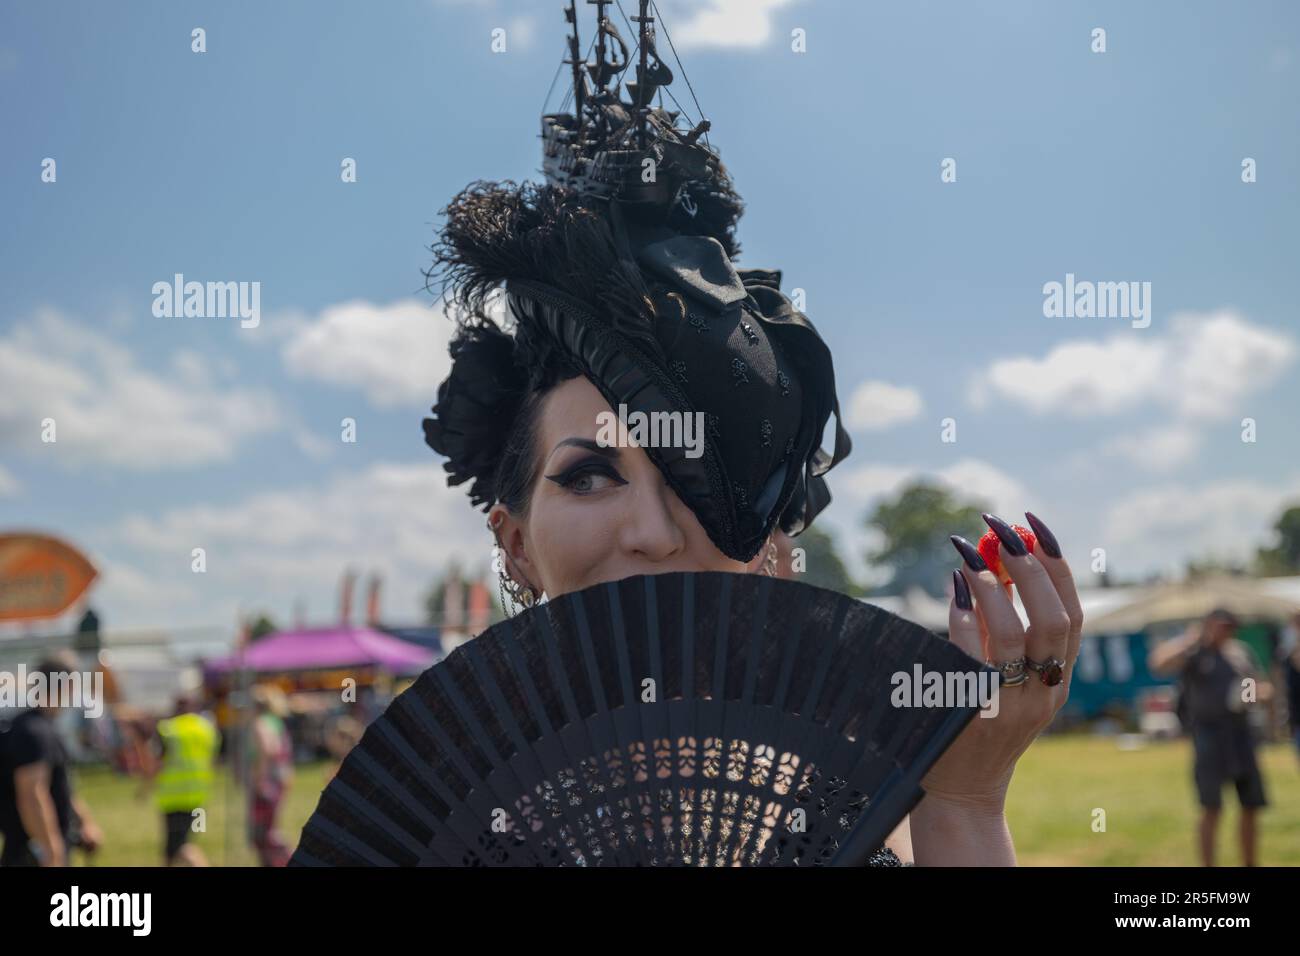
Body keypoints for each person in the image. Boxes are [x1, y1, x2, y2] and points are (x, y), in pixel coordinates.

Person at [299, 5, 1085, 866]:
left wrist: (967, 802)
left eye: (697, 479)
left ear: (774, 550)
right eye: (591, 476)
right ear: (515, 543)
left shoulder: (862, 822)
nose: (654, 532)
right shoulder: (432, 834)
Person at [1149, 608, 1269, 866]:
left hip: (1241, 735)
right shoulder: (1194, 653)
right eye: (1220, 626)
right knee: (1211, 806)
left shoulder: (1240, 653)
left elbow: (1260, 685)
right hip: (1209, 737)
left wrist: (1250, 695)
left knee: (1251, 805)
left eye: (1229, 627)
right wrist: (1191, 639)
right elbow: (1158, 663)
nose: (1225, 632)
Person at [0, 653, 103, 866]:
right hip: (29, 855)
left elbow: (61, 786)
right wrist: (51, 849)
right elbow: (32, 796)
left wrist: (85, 822)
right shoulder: (32, 732)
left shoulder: (44, 729)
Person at [140, 694, 221, 866]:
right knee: (185, 842)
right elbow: (213, 759)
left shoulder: (169, 730)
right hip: (199, 795)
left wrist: (144, 788)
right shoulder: (206, 728)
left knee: (178, 846)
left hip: (174, 797)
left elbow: (156, 763)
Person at [247, 684, 294, 866]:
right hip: (279, 780)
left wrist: (260, 777)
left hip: (267, 782)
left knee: (264, 833)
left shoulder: (260, 722)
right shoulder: (275, 721)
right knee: (267, 830)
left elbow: (268, 749)